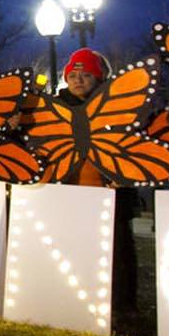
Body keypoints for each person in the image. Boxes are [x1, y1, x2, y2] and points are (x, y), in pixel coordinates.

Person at [55, 48, 138, 318]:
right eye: (73, 75)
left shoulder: (118, 108)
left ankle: (121, 308)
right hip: (69, 196)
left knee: (117, 255)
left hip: (110, 197)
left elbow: (133, 147)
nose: (79, 80)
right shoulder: (56, 109)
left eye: (86, 74)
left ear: (99, 79)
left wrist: (124, 174)